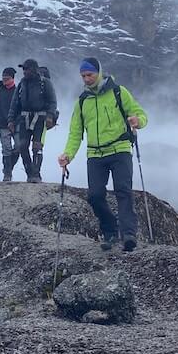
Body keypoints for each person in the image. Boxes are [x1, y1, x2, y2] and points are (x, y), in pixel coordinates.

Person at [57, 56, 148, 252]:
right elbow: (75, 133)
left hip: (120, 149)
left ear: (98, 73)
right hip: (95, 155)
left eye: (89, 74)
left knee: (123, 190)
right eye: (83, 76)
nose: (86, 79)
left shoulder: (118, 92)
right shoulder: (82, 102)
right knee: (95, 195)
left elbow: (140, 114)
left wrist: (137, 121)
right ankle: (110, 231)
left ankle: (129, 235)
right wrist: (68, 155)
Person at [7, 58, 58, 183]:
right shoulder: (22, 84)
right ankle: (29, 171)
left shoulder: (45, 83)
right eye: (23, 69)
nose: (24, 71)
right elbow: (15, 104)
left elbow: (52, 101)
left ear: (34, 69)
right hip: (24, 118)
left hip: (40, 118)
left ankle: (36, 174)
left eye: (27, 69)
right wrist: (11, 120)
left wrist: (50, 116)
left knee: (37, 146)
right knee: (22, 146)